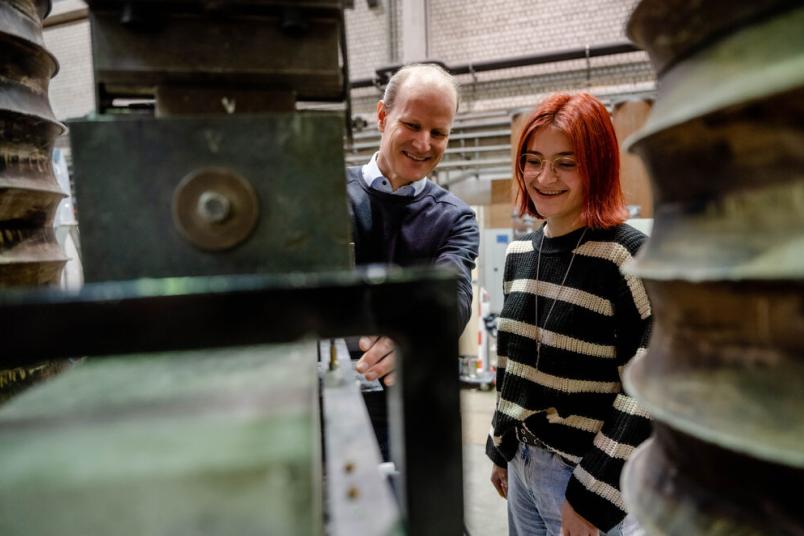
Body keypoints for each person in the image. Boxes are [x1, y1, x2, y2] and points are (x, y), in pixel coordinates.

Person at [486, 93, 652, 535]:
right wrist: (500, 444)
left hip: (588, 477)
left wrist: (592, 494)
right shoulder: (521, 252)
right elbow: (512, 362)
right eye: (533, 160)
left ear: (596, 166)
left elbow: (651, 390)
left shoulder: (628, 256)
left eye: (566, 162)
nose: (545, 177)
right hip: (521, 466)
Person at [346, 63, 480, 458]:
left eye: (438, 133)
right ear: (383, 116)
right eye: (413, 125)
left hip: (408, 410)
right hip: (324, 402)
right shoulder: (327, 196)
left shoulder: (454, 218)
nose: (424, 144)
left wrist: (414, 339)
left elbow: (454, 295)